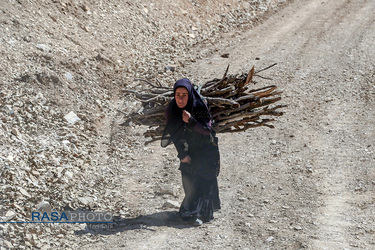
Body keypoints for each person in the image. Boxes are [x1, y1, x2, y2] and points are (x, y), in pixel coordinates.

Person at [161, 78, 221, 226]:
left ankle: (203, 214)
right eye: (177, 95)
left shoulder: (198, 106)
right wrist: (181, 154)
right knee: (188, 181)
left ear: (190, 95)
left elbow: (208, 130)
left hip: (206, 150)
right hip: (189, 150)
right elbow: (174, 135)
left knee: (204, 180)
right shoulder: (172, 110)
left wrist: (192, 121)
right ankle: (191, 210)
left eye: (184, 95)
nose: (180, 99)